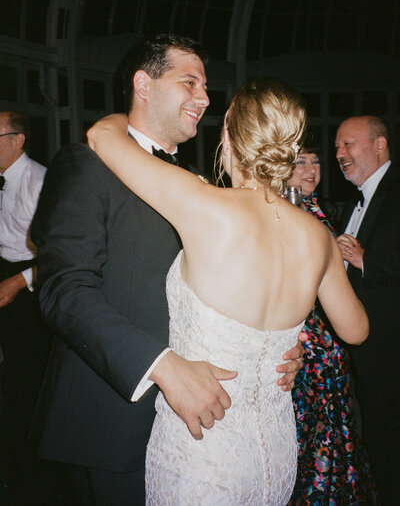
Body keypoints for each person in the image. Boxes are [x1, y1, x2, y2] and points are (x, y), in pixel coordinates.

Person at [31, 35, 302, 506]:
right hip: (113, 423)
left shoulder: (200, 185)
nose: (204, 98)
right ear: (143, 84)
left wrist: (272, 352)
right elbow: (64, 290)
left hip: (197, 441)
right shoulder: (86, 165)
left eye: (206, 87)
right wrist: (163, 366)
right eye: (189, 82)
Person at [88, 77, 369, 505]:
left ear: (228, 136)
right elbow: (355, 330)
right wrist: (287, 343)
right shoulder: (319, 237)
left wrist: (128, 112)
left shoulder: (203, 205)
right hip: (275, 456)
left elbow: (101, 135)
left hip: (203, 450)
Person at [287, 138, 379, 504]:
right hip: (308, 343)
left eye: (315, 162)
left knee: (331, 429)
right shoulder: (291, 212)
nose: (310, 170)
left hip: (329, 340)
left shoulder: (314, 209)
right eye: (300, 162)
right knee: (314, 432)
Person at [335, 115, 400, 506]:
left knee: (387, 440)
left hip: (391, 347)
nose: (340, 154)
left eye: (349, 145)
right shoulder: (351, 203)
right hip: (364, 351)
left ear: (379, 145)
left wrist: (367, 261)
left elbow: (368, 264)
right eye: (338, 147)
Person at [0, 111, 50, 496]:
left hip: (29, 280)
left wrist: (18, 282)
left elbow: (58, 255)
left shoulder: (41, 181)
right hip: (3, 267)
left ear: (18, 140)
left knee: (25, 374)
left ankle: (27, 466)